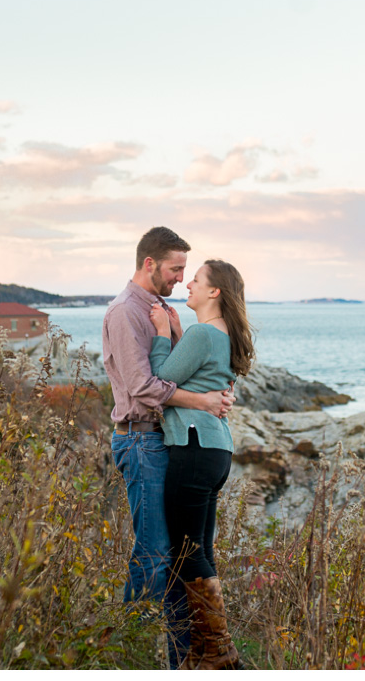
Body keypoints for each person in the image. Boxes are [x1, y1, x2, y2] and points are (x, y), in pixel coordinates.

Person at [102, 227, 236, 669]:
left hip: (165, 440)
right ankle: (129, 656)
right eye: (176, 269)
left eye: (186, 271)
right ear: (149, 264)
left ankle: (183, 660)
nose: (181, 279)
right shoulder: (125, 312)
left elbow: (181, 372)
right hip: (139, 438)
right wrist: (202, 401)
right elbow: (144, 387)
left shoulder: (162, 311)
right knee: (157, 554)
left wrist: (214, 391)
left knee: (177, 555)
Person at [148, 259, 254, 670]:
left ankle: (220, 656)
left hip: (192, 449)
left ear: (215, 292)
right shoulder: (224, 336)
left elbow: (158, 382)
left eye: (197, 279)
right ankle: (207, 653)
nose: (188, 282)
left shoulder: (203, 333)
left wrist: (161, 333)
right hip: (216, 452)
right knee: (200, 551)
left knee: (187, 554)